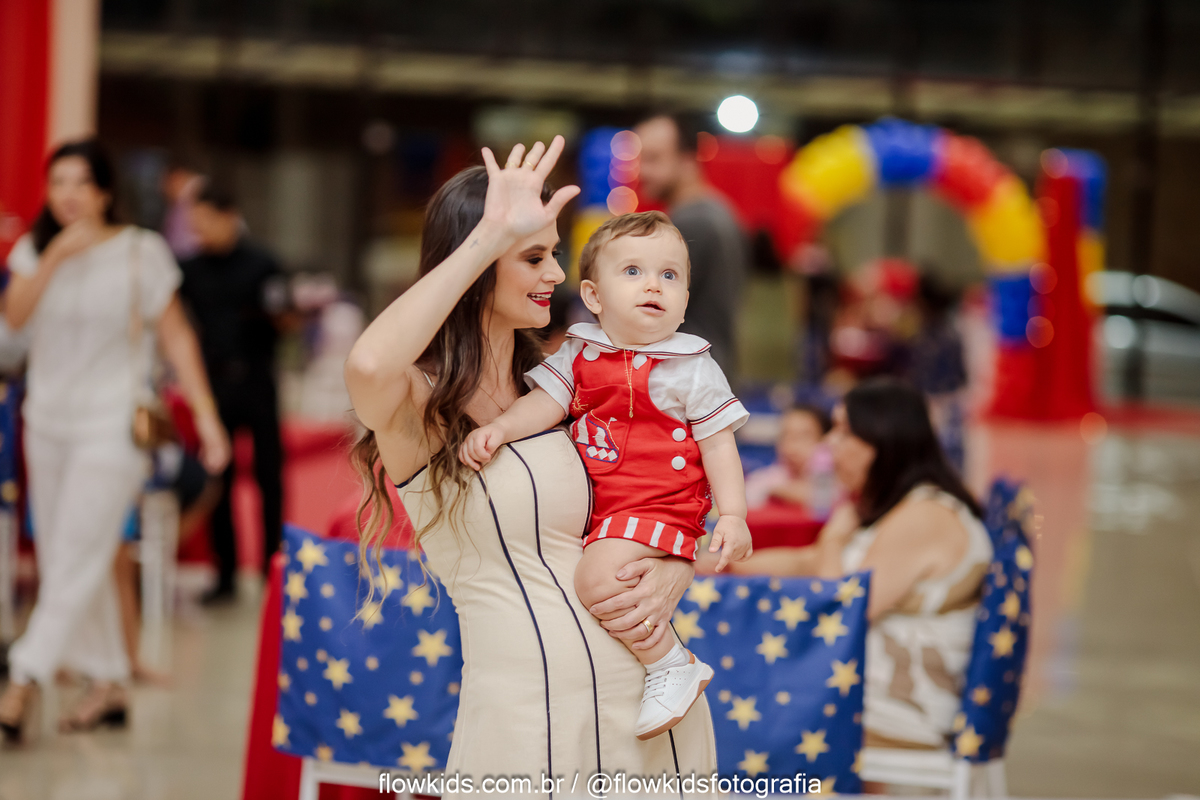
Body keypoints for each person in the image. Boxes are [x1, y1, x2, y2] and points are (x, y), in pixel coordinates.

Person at [345, 137, 716, 794]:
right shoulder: (419, 403)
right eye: (534, 256)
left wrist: (674, 564)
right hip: (525, 724)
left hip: (650, 714)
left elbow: (663, 487)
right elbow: (369, 365)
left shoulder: (567, 384)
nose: (556, 275)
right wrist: (490, 235)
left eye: (555, 254)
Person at [458, 210, 752, 740]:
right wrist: (500, 429)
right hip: (609, 508)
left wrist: (733, 514)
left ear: (686, 299)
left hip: (660, 504)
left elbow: (718, 443)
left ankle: (670, 663)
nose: (653, 285)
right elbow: (545, 404)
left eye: (669, 275)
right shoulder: (580, 353)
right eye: (633, 271)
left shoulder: (692, 365)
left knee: (595, 580)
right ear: (593, 296)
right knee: (614, 581)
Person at [0, 140, 230, 740]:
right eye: (58, 183)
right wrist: (55, 255)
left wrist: (207, 419)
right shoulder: (35, 249)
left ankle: (23, 674)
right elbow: (13, 319)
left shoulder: (140, 250)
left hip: (113, 424)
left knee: (78, 551)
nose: (68, 195)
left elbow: (177, 337)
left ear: (104, 192)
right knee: (69, 556)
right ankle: (108, 684)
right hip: (47, 422)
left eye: (81, 182)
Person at [703, 379, 992, 758]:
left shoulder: (923, 516)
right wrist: (720, 566)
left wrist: (835, 539)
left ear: (881, 442)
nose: (828, 444)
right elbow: (807, 561)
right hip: (869, 682)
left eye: (842, 431)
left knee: (724, 701)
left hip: (902, 706)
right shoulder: (900, 504)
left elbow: (842, 615)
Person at [180, 184, 287, 603]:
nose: (199, 231)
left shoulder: (263, 264)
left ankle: (271, 570)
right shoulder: (188, 270)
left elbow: (284, 316)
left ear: (228, 216)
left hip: (258, 380)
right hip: (215, 385)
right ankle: (224, 574)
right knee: (217, 479)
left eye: (205, 221)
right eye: (194, 223)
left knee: (269, 478)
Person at [634, 113, 750, 379]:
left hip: (687, 381)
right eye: (640, 160)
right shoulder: (719, 212)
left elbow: (648, 311)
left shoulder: (693, 223)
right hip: (707, 375)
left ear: (687, 160)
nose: (642, 172)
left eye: (653, 159)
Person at [743, 404, 831, 511]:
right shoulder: (770, 477)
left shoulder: (839, 479)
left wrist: (779, 491)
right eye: (786, 436)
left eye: (803, 437)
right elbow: (747, 493)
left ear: (825, 440)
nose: (792, 446)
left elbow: (825, 497)